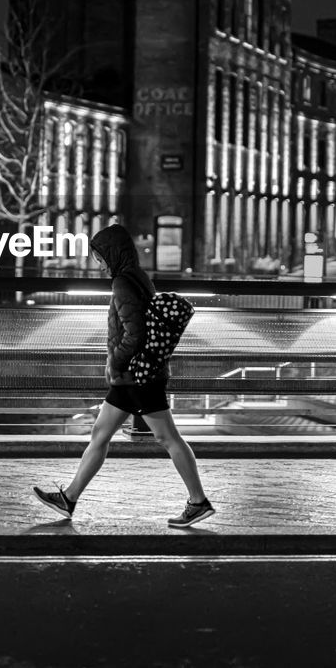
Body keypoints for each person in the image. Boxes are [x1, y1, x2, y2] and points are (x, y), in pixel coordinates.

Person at [34, 223, 215, 528]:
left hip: (137, 376)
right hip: (135, 376)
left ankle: (198, 501)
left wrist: (115, 363)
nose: (100, 264)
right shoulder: (138, 277)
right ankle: (69, 498)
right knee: (100, 434)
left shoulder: (123, 283)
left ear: (113, 254)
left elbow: (135, 334)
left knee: (167, 437)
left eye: (101, 257)